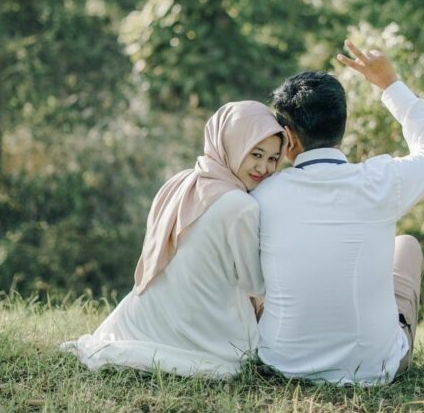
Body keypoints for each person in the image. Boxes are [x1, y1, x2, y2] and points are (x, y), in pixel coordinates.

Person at [253, 38, 424, 385]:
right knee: (406, 246)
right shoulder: (380, 181)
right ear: (341, 126)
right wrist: (390, 84)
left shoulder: (262, 194)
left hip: (281, 364)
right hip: (374, 369)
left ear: (289, 138)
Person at [61, 101, 284, 378]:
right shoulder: (241, 206)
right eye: (256, 154)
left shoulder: (181, 182)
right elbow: (254, 283)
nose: (264, 168)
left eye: (273, 159)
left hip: (152, 315)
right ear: (232, 144)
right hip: (211, 335)